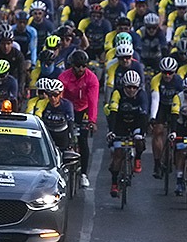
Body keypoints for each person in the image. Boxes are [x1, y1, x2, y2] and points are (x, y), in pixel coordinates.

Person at [58, 50, 100, 188]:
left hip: (84, 109)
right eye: (78, 66)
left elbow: (93, 100)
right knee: (63, 137)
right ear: (72, 65)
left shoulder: (91, 78)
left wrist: (92, 121)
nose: (81, 69)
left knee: (83, 140)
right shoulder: (64, 77)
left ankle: (83, 174)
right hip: (68, 108)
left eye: (83, 66)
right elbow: (60, 98)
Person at [106, 71, 149, 196]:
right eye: (128, 87)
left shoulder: (142, 95)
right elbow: (113, 114)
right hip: (120, 124)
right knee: (118, 154)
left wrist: (141, 132)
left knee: (139, 141)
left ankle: (138, 158)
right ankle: (114, 184)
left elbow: (144, 115)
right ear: (124, 86)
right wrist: (111, 131)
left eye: (134, 87)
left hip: (136, 123)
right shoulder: (117, 93)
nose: (131, 90)